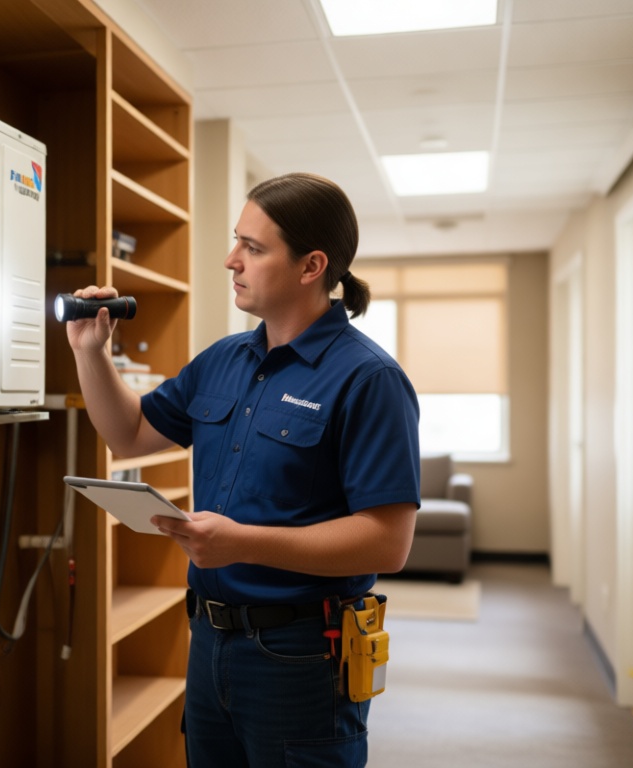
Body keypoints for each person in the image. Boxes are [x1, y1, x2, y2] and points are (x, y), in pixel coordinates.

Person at [65, 172, 420, 767]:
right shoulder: (224, 360)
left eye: (252, 248)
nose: (231, 261)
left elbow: (388, 543)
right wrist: (89, 353)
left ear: (311, 267)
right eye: (237, 242)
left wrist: (241, 544)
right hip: (210, 643)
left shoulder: (369, 379)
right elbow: (128, 436)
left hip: (303, 654)